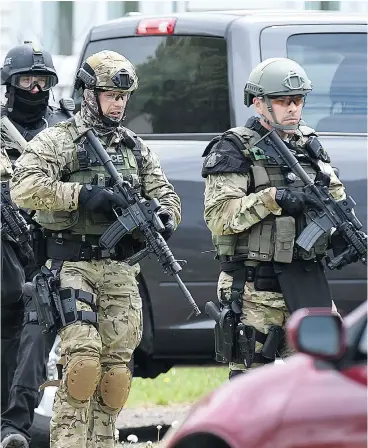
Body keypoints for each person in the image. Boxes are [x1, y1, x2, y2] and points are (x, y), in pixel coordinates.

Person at [11, 50, 181, 448]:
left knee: (116, 374)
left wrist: (162, 217)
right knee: (82, 364)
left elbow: (166, 194)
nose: (119, 103)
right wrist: (83, 195)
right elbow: (23, 187)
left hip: (120, 271)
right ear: (89, 94)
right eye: (110, 95)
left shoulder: (134, 148)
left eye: (123, 96)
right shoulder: (60, 140)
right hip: (71, 265)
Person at [202, 57, 351, 380]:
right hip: (256, 285)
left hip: (305, 279)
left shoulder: (308, 145)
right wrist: (274, 198)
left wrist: (343, 230)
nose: (293, 109)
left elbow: (336, 197)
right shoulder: (234, 147)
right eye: (283, 102)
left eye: (298, 101)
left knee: (332, 374)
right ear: (259, 103)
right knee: (249, 383)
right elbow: (219, 216)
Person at [1, 41, 71, 448]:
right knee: (7, 332)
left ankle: (16, 423)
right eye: (27, 79)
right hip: (4, 249)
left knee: (36, 330)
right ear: (10, 83)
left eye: (42, 81)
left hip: (48, 242)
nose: (35, 88)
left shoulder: (63, 127)